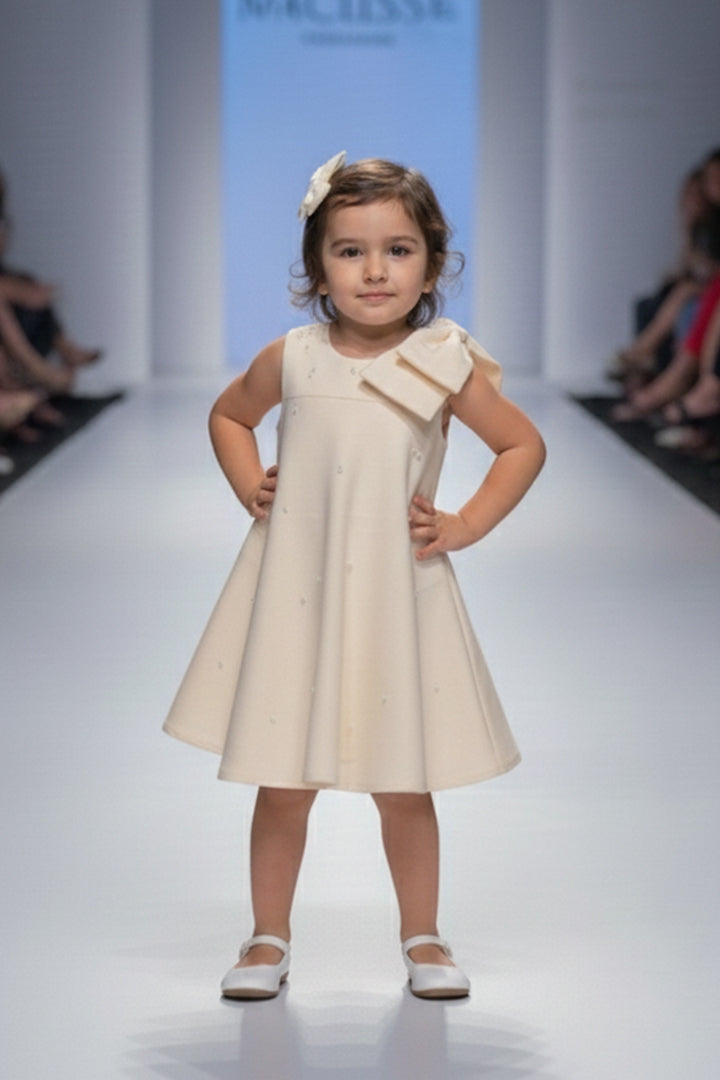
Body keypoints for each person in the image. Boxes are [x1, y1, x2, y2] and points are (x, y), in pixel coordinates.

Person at [163, 154, 546, 1001]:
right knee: (282, 778)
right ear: (317, 267)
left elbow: (522, 444)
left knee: (403, 780)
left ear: (432, 265)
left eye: (398, 251)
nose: (375, 271)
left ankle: (424, 935)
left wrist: (465, 524)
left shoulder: (444, 362)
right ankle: (267, 937)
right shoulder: (293, 357)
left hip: (395, 594)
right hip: (297, 592)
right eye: (350, 251)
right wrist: (248, 483)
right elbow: (229, 414)